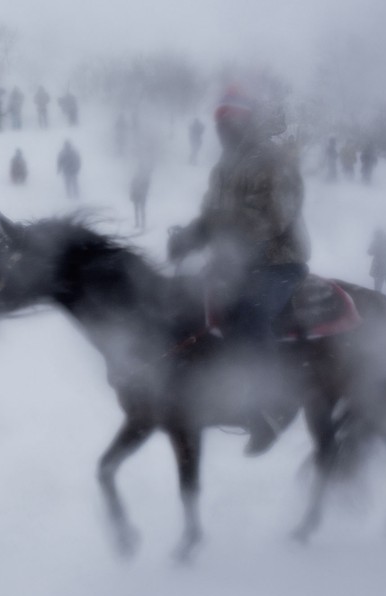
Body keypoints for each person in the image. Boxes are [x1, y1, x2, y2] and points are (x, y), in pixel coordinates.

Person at [167, 86, 310, 456]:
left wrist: (233, 248)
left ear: (246, 122)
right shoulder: (223, 168)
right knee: (184, 299)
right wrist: (190, 237)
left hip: (279, 261)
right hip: (234, 262)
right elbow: (212, 217)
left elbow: (278, 218)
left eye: (230, 121)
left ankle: (276, 402)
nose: (223, 129)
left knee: (249, 312)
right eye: (219, 122)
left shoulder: (273, 162)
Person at [368, 228, 386, 301]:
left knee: (378, 289)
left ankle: (378, 304)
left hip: (380, 269)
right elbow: (369, 252)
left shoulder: (378, 242)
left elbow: (369, 252)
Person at [130, 164, 152, 229]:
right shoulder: (142, 177)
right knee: (139, 210)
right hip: (139, 195)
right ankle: (139, 224)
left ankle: (140, 224)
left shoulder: (142, 177)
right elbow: (132, 186)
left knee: (139, 210)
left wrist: (132, 194)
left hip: (140, 195)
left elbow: (132, 186)